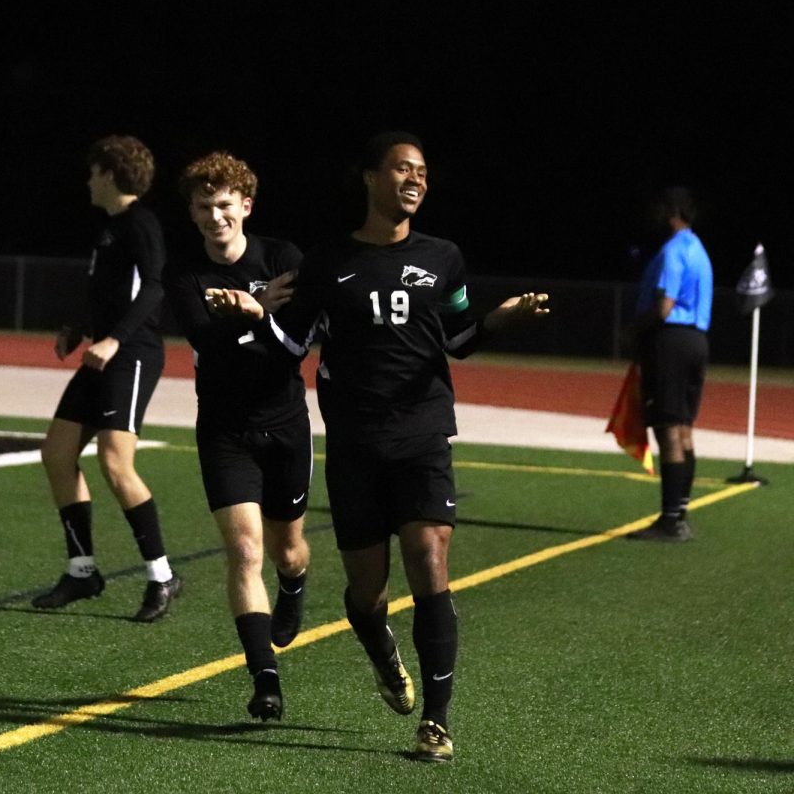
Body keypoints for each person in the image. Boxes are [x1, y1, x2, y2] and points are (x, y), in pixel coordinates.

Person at [206, 132, 549, 761]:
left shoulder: (444, 257)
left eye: (422, 170)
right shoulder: (328, 261)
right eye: (401, 168)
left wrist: (500, 320)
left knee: (429, 558)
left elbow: (458, 338)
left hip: (422, 434)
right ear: (370, 177)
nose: (415, 178)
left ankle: (436, 723)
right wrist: (258, 321)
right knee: (367, 594)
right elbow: (291, 346)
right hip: (357, 446)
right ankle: (382, 650)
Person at [164, 152, 311, 720]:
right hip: (224, 428)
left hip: (285, 423)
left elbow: (296, 340)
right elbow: (206, 343)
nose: (214, 215)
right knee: (245, 550)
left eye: (224, 204)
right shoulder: (183, 274)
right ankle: (265, 680)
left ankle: (294, 585)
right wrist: (255, 313)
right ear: (193, 212)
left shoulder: (283, 257)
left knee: (287, 551)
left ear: (245, 206)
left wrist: (253, 317)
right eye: (204, 206)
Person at [33, 135, 180, 622]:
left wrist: (115, 339)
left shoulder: (141, 222)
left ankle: (162, 576)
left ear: (112, 174)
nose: (87, 179)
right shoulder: (108, 228)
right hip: (102, 354)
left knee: (116, 464)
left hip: (132, 353)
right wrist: (79, 328)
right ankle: (82, 571)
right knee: (56, 454)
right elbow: (107, 291)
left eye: (94, 171)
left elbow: (157, 285)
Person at [626, 187, 712, 542]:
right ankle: (681, 511)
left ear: (672, 210)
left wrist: (633, 330)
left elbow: (665, 305)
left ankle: (670, 520)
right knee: (684, 428)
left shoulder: (674, 250)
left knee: (667, 428)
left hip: (671, 340)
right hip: (697, 340)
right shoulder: (700, 249)